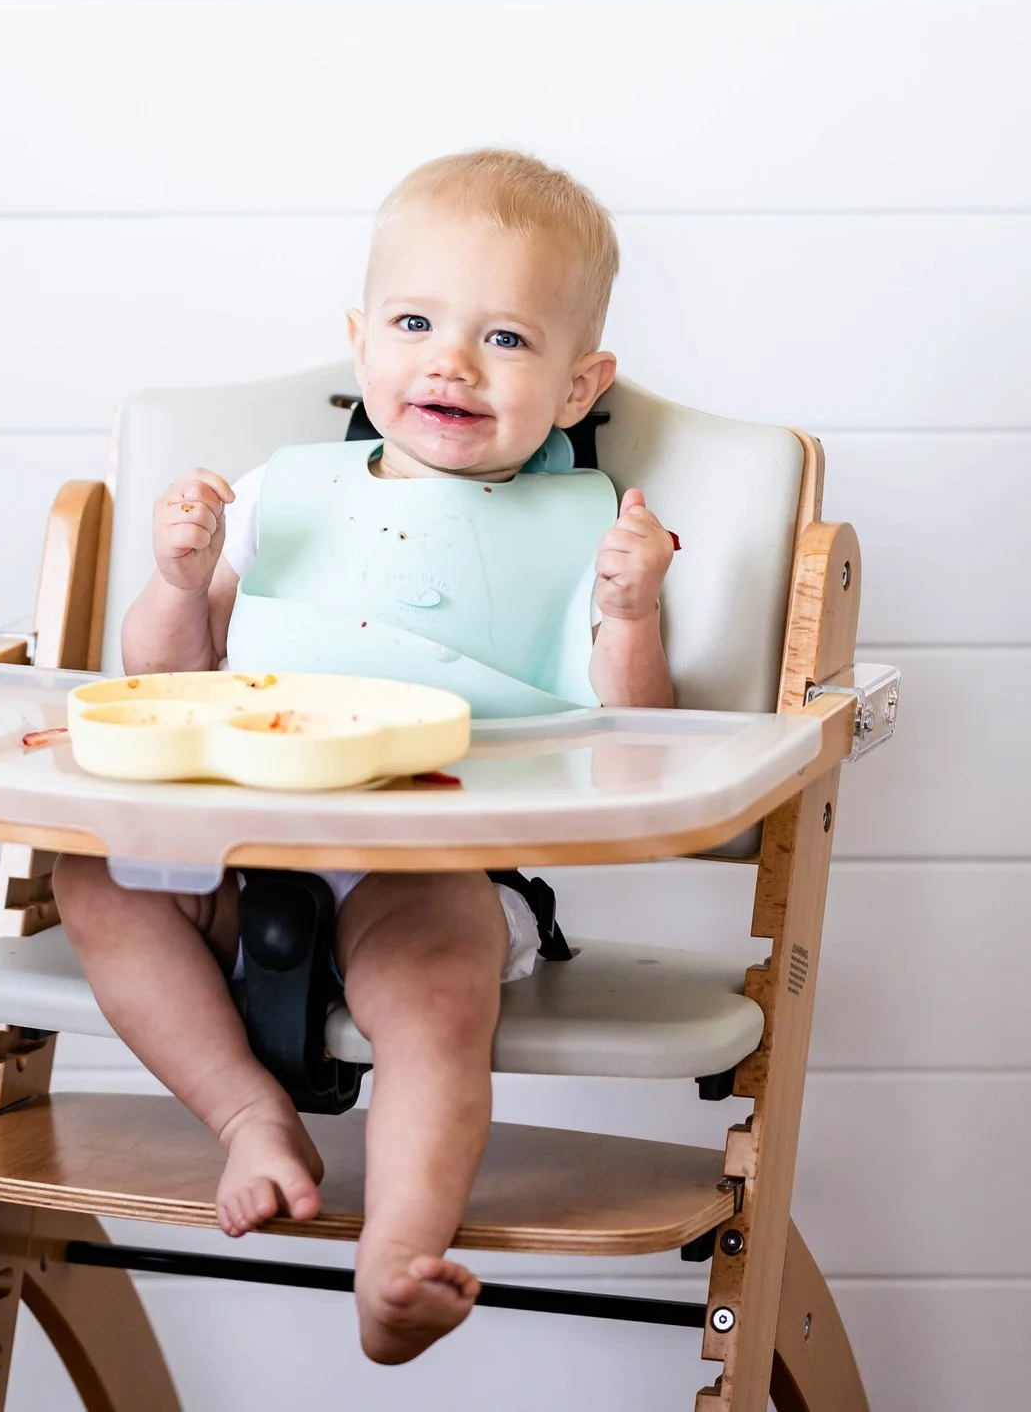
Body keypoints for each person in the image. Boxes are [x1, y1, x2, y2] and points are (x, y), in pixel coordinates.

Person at [52, 148, 677, 1364]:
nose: (447, 359)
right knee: (92, 879)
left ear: (576, 384)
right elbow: (168, 682)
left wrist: (633, 613)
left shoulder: (589, 530)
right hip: (240, 844)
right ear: (359, 343)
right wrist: (179, 580)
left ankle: (396, 1256)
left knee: (440, 1001)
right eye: (413, 322)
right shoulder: (285, 491)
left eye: (504, 338)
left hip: (430, 864)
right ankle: (250, 1119)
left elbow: (637, 735)